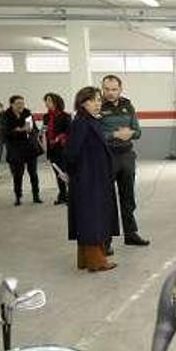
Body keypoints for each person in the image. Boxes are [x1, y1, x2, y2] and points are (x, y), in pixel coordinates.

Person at [66, 86, 119, 272]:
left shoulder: (90, 121)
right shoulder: (82, 123)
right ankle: (96, 261)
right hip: (88, 180)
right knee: (92, 219)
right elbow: (72, 153)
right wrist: (76, 175)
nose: (99, 103)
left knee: (91, 218)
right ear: (83, 103)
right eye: (94, 100)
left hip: (95, 177)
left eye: (99, 100)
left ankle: (85, 259)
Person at [99, 75, 149, 248]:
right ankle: (105, 240)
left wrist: (130, 133)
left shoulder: (128, 105)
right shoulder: (98, 106)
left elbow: (138, 131)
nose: (110, 93)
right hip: (106, 157)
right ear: (102, 89)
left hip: (126, 156)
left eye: (114, 89)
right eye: (107, 89)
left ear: (120, 89)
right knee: (106, 200)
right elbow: (94, 134)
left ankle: (131, 233)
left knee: (128, 198)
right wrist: (114, 135)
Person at [2, 95, 42, 206]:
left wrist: (25, 130)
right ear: (12, 104)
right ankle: (18, 197)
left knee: (33, 173)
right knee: (18, 175)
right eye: (18, 103)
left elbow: (34, 129)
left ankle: (36, 195)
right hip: (15, 150)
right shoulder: (6, 116)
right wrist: (21, 130)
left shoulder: (27, 113)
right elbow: (6, 133)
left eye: (22, 103)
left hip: (29, 148)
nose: (21, 105)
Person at [43, 93, 70, 205]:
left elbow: (69, 132)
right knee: (58, 174)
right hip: (52, 149)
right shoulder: (46, 117)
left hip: (62, 149)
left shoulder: (65, 116)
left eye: (49, 100)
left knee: (66, 173)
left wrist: (59, 138)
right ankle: (62, 195)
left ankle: (71, 196)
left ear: (56, 102)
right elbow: (45, 131)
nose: (46, 103)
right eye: (46, 101)